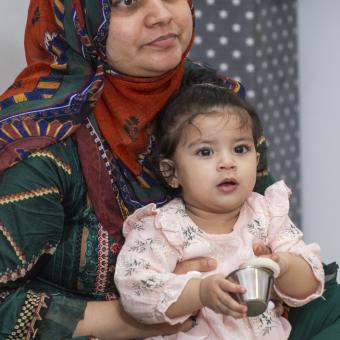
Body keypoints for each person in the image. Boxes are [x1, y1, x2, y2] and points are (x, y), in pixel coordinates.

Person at [0, 1, 339, 339]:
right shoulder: (39, 142)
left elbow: (270, 242)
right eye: (127, 3)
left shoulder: (215, 101)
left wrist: (272, 271)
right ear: (81, 21)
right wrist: (168, 306)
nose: (162, 14)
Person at [114, 69, 324, 339]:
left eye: (240, 149)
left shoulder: (267, 214)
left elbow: (308, 285)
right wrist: (199, 292)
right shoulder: (163, 228)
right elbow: (136, 291)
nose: (228, 162)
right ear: (172, 172)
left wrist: (282, 265)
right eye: (205, 152)